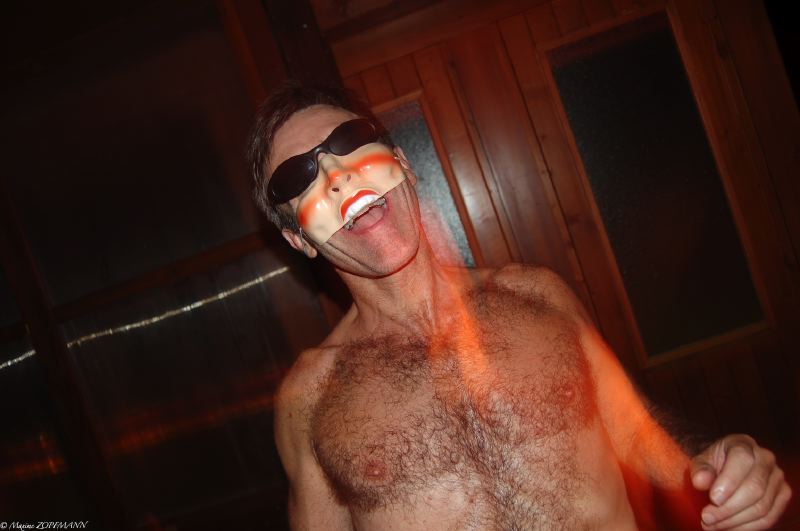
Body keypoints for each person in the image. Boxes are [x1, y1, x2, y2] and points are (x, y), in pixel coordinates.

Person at [247, 83, 792, 530]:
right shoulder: (311, 397)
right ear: (299, 239)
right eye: (299, 176)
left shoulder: (537, 296)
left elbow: (638, 434)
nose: (338, 176)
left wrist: (720, 468)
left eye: (349, 141)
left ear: (402, 163)